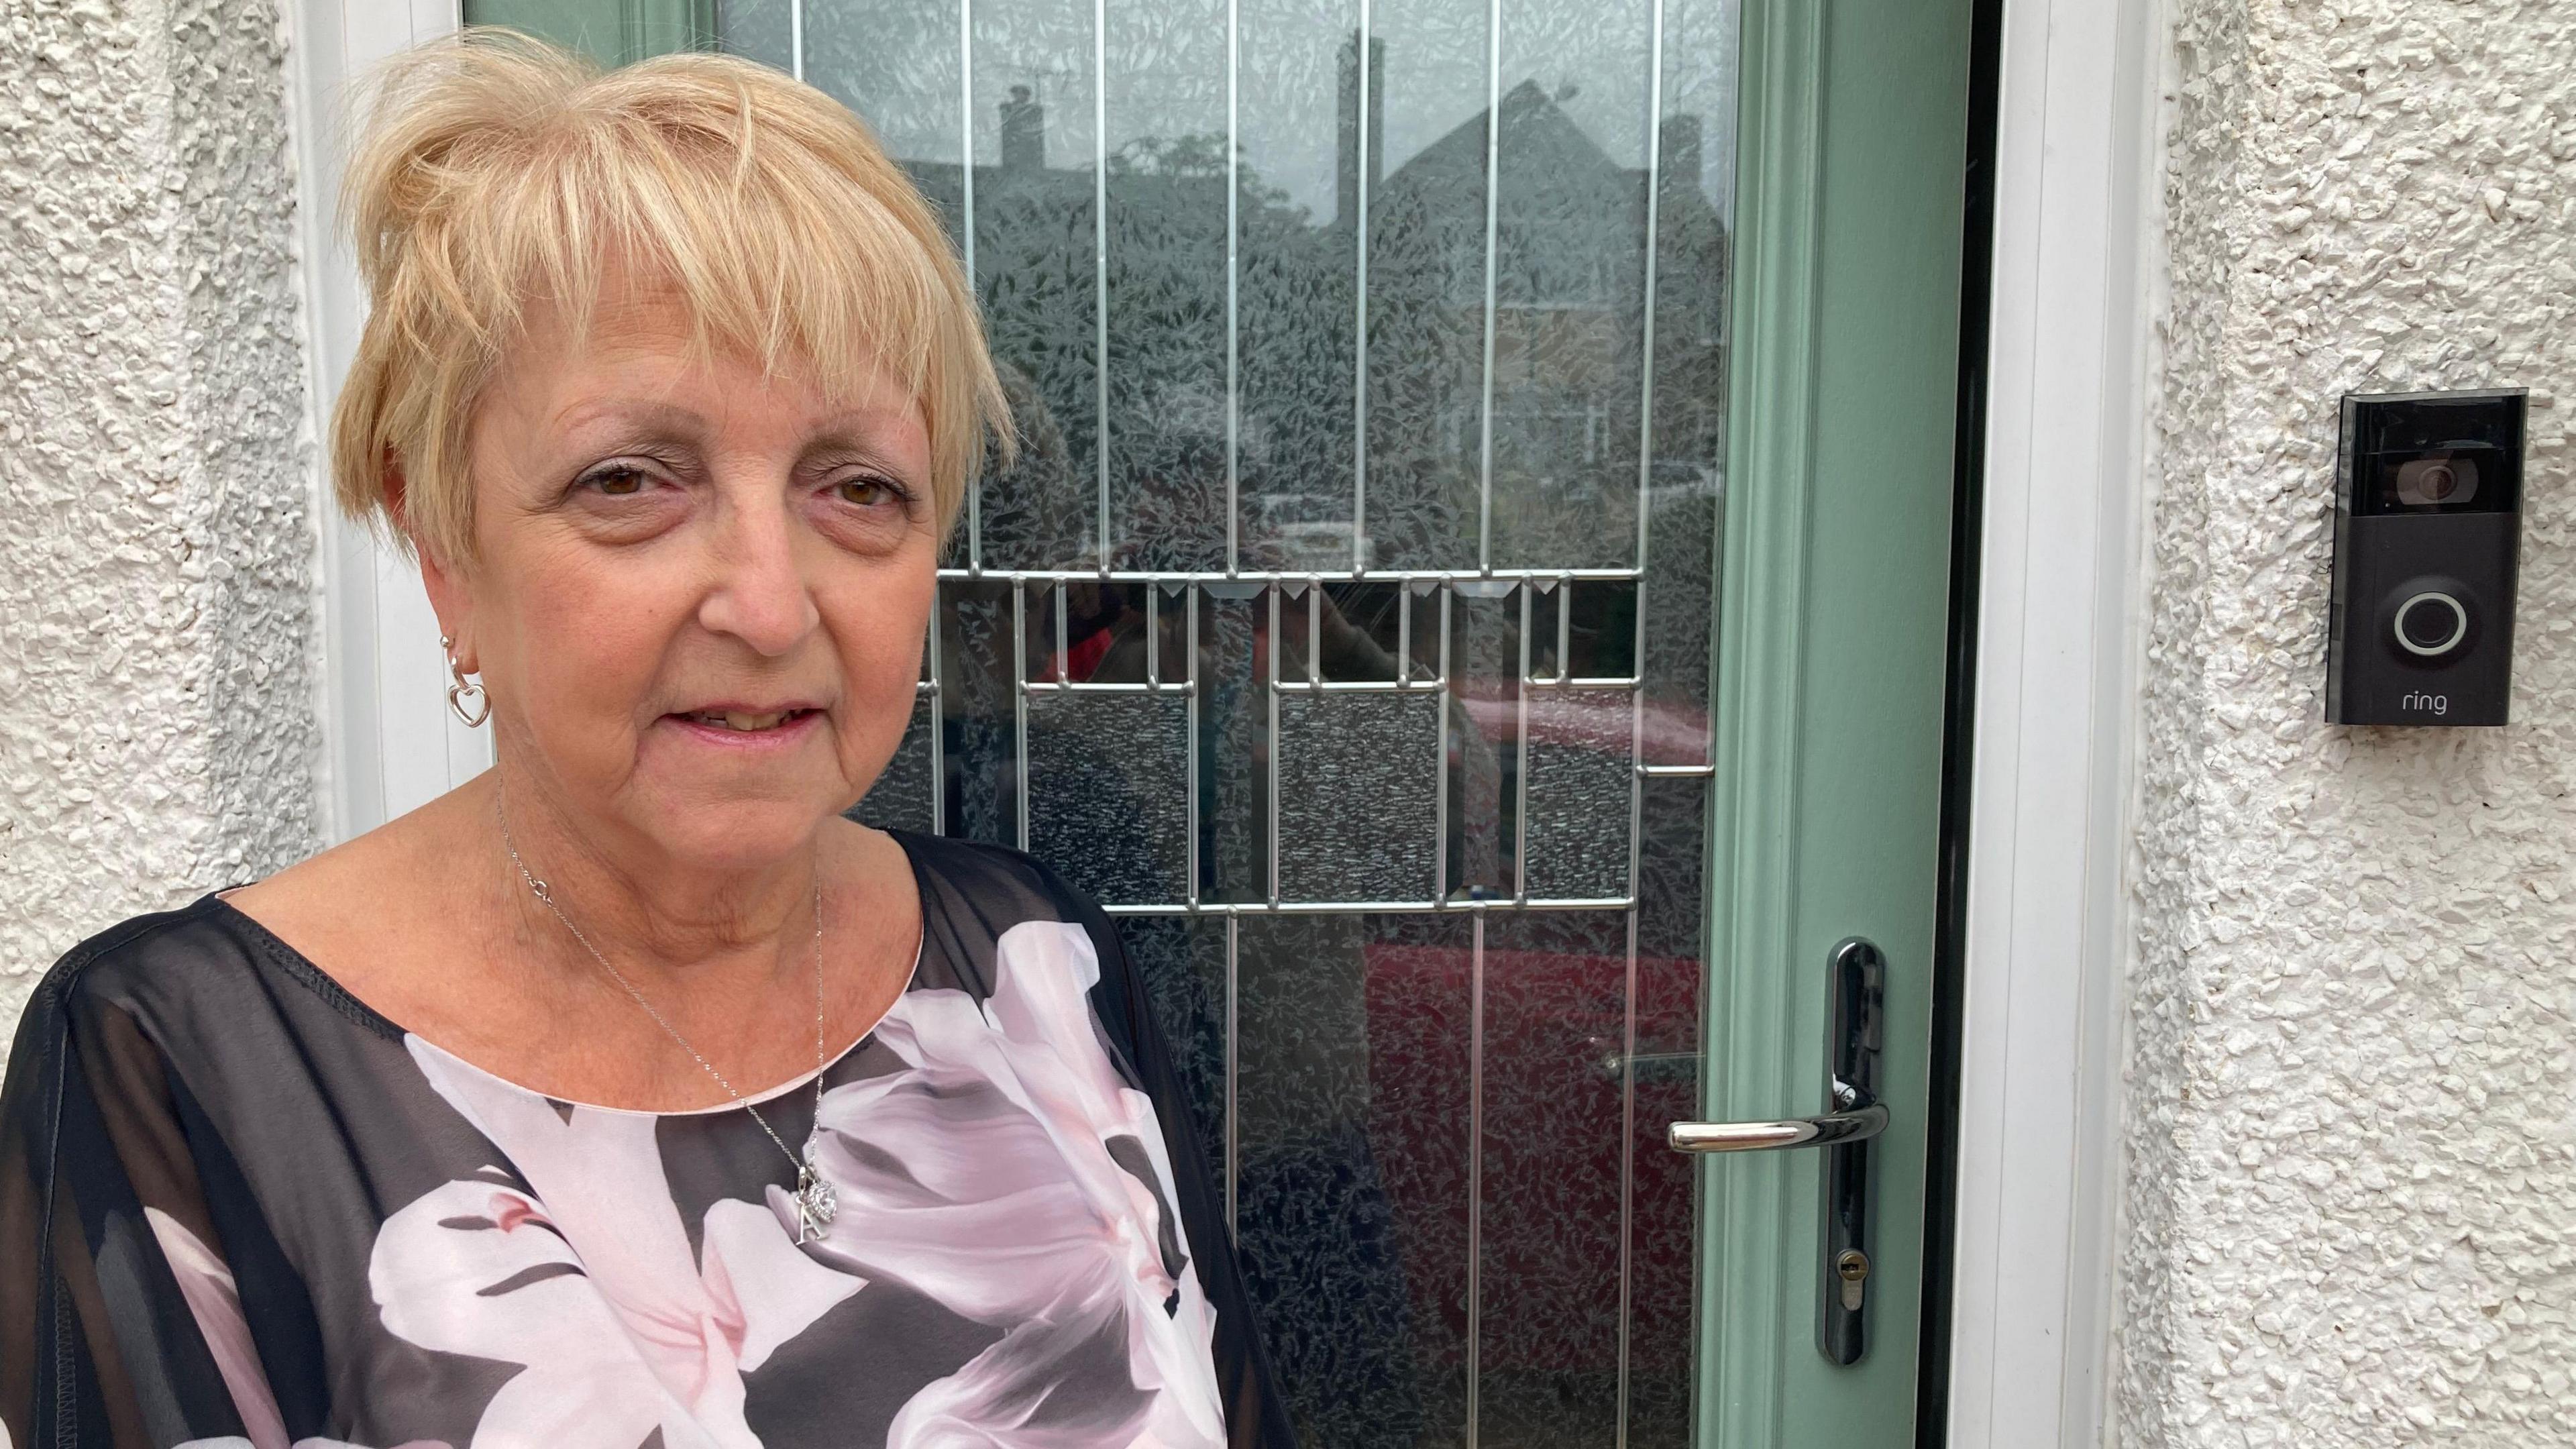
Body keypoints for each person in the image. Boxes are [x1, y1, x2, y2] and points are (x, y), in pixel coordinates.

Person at [0, 31, 1289, 1449]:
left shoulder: (1037, 962)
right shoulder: (176, 1070)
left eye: (858, 486)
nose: (769, 598)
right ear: (443, 548)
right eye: (630, 480)